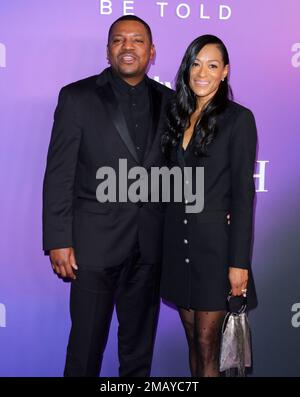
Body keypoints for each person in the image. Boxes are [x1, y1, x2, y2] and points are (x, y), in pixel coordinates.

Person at [42, 15, 173, 377]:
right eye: (119, 40)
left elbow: (181, 171)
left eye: (137, 40)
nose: (128, 47)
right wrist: (58, 239)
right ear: (108, 50)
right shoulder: (77, 97)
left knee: (138, 356)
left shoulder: (171, 101)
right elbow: (59, 173)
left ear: (151, 51)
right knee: (84, 353)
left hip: (148, 248)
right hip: (92, 250)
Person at [160, 34, 258, 377]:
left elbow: (244, 196)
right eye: (196, 63)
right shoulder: (175, 116)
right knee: (194, 346)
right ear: (187, 68)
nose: (203, 72)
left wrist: (238, 264)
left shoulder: (238, 120)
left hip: (215, 251)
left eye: (213, 65)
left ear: (225, 72)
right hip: (177, 247)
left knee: (208, 350)